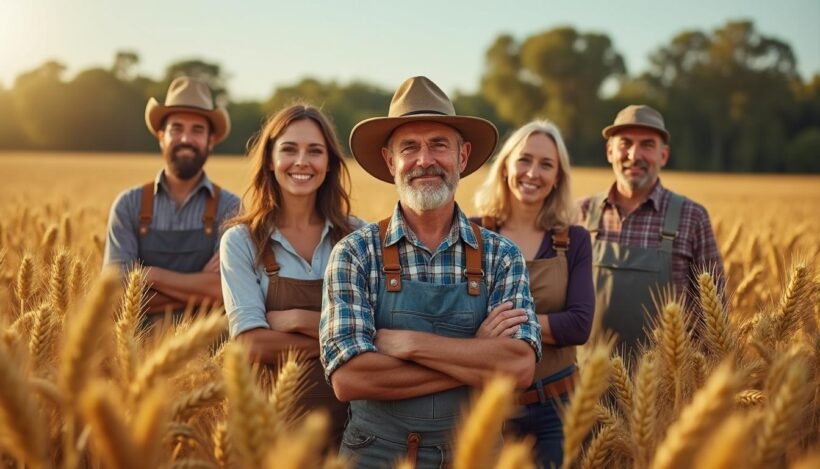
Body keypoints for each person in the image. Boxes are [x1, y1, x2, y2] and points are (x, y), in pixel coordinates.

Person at [320, 76, 541, 469]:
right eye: (410, 147)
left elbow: (520, 366)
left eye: (439, 144)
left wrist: (409, 344)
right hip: (374, 454)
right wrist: (477, 354)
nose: (425, 160)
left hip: (474, 454)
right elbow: (350, 378)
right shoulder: (354, 253)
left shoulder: (501, 256)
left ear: (462, 156)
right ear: (391, 162)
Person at [219, 104, 364, 447]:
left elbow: (378, 329)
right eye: (289, 149)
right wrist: (344, 342)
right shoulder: (241, 242)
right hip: (273, 432)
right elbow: (251, 344)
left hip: (354, 433)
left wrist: (295, 318)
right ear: (270, 159)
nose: (302, 161)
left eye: (315, 151)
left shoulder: (358, 236)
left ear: (328, 163)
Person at [473, 119, 594, 467]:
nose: (533, 173)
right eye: (524, 160)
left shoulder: (573, 240)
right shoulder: (473, 232)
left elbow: (579, 325)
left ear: (558, 177)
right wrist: (544, 324)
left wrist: (499, 325)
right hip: (486, 404)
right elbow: (455, 318)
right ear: (506, 166)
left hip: (555, 408)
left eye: (546, 164)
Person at [578, 104, 723, 357]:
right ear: (609, 151)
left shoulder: (692, 217)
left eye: (647, 145)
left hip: (668, 387)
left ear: (663, 155)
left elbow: (715, 313)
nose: (634, 155)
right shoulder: (580, 213)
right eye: (625, 144)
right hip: (588, 386)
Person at [103, 77, 240, 325]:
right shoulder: (128, 206)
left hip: (208, 354)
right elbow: (113, 297)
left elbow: (228, 293)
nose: (186, 139)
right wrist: (200, 287)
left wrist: (147, 275)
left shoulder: (230, 208)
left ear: (210, 140)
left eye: (197, 130)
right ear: (160, 136)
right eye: (176, 128)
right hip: (133, 350)